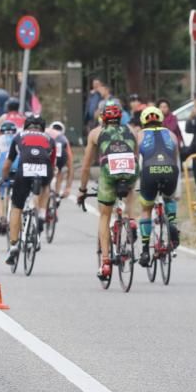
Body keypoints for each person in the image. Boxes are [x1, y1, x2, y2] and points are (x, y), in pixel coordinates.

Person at [77, 104, 139, 281]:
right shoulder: (132, 131)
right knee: (131, 186)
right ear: (121, 119)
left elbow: (86, 166)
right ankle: (131, 219)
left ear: (103, 119)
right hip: (130, 169)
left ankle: (105, 263)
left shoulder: (96, 133)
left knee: (104, 216)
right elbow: (135, 156)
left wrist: (82, 190)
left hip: (109, 173)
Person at [4, 116, 56, 266]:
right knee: (46, 185)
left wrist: (4, 178)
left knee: (17, 207)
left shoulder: (19, 136)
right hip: (44, 169)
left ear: (26, 127)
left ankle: (14, 245)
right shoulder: (49, 138)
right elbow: (53, 165)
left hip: (24, 170)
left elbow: (7, 165)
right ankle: (41, 214)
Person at [136, 106, 181, 265]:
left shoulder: (139, 136)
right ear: (162, 120)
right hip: (170, 171)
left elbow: (137, 163)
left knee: (146, 208)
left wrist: (136, 184)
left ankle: (145, 250)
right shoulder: (172, 135)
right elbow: (176, 162)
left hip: (149, 172)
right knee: (169, 197)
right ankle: (172, 222)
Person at [0, 120, 18, 236]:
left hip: (2, 165)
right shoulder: (18, 138)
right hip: (17, 164)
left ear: (0, 132)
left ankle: (2, 218)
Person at [47, 121, 74, 200]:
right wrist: (68, 187)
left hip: (46, 152)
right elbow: (70, 165)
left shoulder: (45, 132)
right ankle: (57, 194)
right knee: (59, 170)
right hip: (60, 156)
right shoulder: (64, 138)